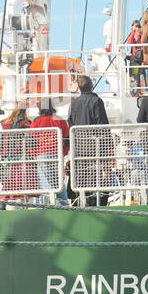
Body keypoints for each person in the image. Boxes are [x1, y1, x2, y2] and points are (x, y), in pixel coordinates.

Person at [66, 75, 109, 205]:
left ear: (79, 87)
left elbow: (71, 124)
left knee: (80, 178)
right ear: (91, 85)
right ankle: (93, 202)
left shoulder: (73, 104)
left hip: (79, 148)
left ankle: (79, 202)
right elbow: (102, 124)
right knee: (94, 178)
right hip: (94, 148)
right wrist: (108, 146)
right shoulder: (97, 101)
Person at [29, 101, 70, 203]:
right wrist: (64, 152)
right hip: (57, 154)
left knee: (45, 183)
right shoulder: (60, 120)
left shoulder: (36, 122)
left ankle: (47, 205)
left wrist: (34, 155)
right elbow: (67, 140)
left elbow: (32, 142)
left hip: (42, 155)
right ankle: (63, 204)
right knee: (59, 182)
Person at [124, 20, 144, 94]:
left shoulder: (142, 33)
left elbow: (142, 41)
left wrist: (139, 32)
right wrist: (133, 32)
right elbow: (129, 42)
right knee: (135, 74)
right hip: (135, 58)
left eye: (138, 26)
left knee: (140, 74)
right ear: (132, 27)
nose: (137, 27)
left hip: (141, 57)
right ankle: (136, 91)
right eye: (136, 26)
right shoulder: (132, 34)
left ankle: (139, 90)